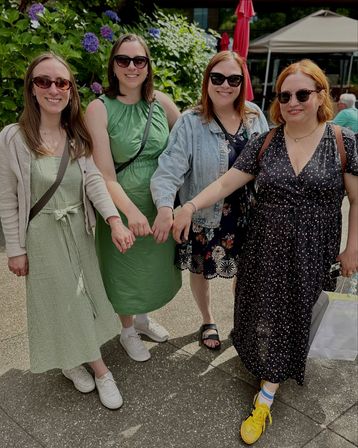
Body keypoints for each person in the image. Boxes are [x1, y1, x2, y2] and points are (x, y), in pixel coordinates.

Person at [172, 59, 358, 444]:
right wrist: (189, 206)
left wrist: (352, 248)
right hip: (264, 247)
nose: (293, 102)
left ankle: (266, 395)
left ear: (321, 95)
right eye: (285, 95)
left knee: (296, 312)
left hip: (314, 249)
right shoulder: (266, 142)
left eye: (303, 94)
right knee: (260, 310)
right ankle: (265, 368)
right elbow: (225, 182)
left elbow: (357, 200)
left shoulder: (342, 141)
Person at [0, 53, 136, 409]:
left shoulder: (75, 134)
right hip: (42, 235)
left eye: (62, 83)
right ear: (31, 88)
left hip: (79, 230)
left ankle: (70, 360)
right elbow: (7, 199)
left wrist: (114, 219)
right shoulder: (13, 138)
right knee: (62, 300)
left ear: (71, 91)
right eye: (44, 81)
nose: (53, 89)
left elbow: (93, 182)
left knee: (83, 296)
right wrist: (15, 248)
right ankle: (101, 370)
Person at [150, 51, 269, 350]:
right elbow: (169, 169)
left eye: (233, 79)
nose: (225, 85)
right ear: (207, 81)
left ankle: (242, 320)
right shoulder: (191, 121)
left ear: (243, 83)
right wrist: (166, 206)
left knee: (247, 273)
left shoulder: (254, 116)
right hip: (206, 212)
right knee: (202, 269)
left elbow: (270, 160)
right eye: (218, 78)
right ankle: (208, 319)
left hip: (249, 212)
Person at [85, 34, 182, 363]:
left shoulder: (162, 103)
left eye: (138, 60)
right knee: (123, 270)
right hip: (121, 204)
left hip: (160, 207)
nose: (131, 67)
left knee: (152, 269)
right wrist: (129, 212)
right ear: (113, 65)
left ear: (148, 66)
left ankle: (141, 320)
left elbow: (188, 144)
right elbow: (104, 174)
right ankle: (126, 330)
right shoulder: (99, 108)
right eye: (123, 60)